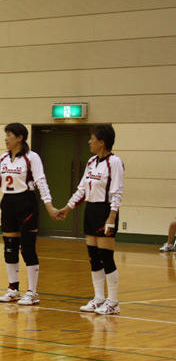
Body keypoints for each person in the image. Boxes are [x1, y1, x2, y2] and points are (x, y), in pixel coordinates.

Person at [0, 123, 58, 306]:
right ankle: (13, 288)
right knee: (9, 248)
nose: (6, 139)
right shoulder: (3, 158)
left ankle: (32, 292)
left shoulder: (32, 157)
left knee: (27, 248)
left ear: (19, 138)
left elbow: (41, 181)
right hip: (8, 203)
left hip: (26, 202)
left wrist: (49, 205)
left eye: (9, 135)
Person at [57, 124, 124, 315]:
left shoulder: (115, 162)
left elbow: (117, 191)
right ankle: (99, 298)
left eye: (92, 139)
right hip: (91, 210)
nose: (89, 142)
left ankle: (113, 302)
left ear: (102, 142)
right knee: (94, 257)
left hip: (106, 211)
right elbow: (82, 189)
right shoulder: (91, 162)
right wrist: (67, 208)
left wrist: (112, 216)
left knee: (106, 257)